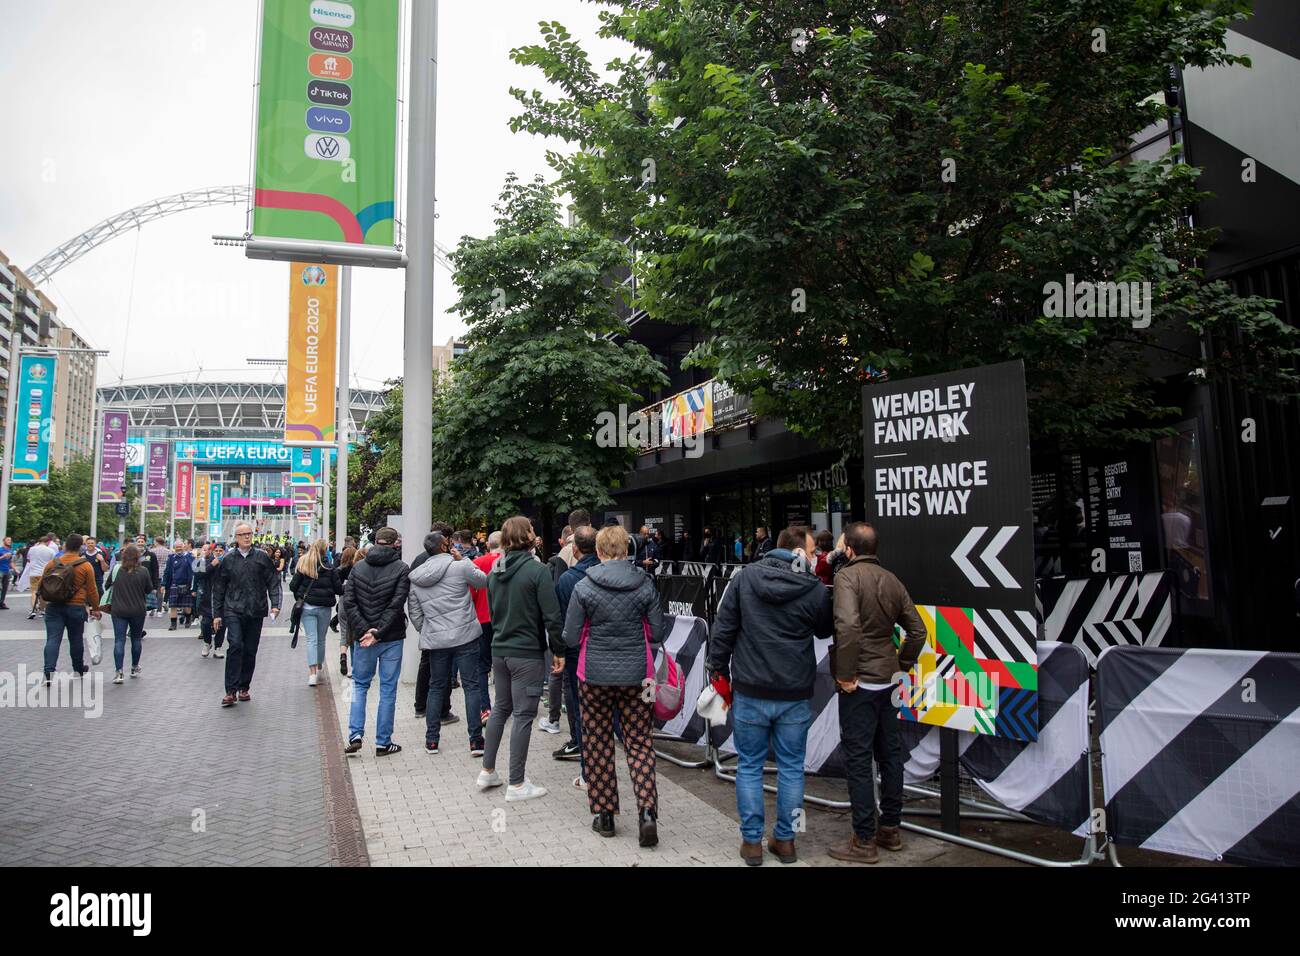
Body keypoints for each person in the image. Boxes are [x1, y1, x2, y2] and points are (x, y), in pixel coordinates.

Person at [710, 525, 833, 865]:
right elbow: (825, 627)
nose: (813, 558)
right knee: (792, 767)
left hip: (750, 688)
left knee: (749, 765)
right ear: (796, 552)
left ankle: (752, 843)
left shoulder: (744, 578)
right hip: (794, 691)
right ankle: (787, 840)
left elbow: (724, 627)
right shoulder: (813, 588)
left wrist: (717, 670)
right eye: (810, 552)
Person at [561, 524, 666, 845]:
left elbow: (569, 636)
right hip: (639, 676)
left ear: (600, 552)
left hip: (593, 676)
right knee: (640, 742)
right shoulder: (645, 584)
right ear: (625, 550)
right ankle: (647, 814)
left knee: (597, 742)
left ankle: (605, 815)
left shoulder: (584, 587)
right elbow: (657, 633)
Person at [829, 522, 926, 863]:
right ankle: (891, 830)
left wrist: (846, 674)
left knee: (858, 759)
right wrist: (904, 664)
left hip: (860, 682)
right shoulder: (892, 580)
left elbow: (848, 626)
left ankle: (864, 840)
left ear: (851, 550)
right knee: (890, 752)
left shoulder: (846, 578)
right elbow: (918, 631)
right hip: (890, 678)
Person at [477, 516, 563, 802]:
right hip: (526, 653)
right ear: (527, 536)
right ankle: (516, 783)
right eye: (532, 529)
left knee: (501, 709)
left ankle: (487, 770)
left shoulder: (494, 572)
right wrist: (559, 650)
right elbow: (552, 616)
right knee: (524, 716)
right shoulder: (537, 572)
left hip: (499, 650)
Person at [408, 531, 488, 756]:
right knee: (471, 687)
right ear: (445, 547)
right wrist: (464, 560)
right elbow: (483, 581)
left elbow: (415, 612)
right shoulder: (460, 567)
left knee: (436, 687)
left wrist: (428, 630)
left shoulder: (416, 577)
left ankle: (431, 740)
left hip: (436, 639)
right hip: (466, 635)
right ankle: (475, 741)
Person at [341, 526, 410, 756]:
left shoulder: (358, 568)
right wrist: (378, 632)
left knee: (360, 685)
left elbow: (348, 602)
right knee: (388, 688)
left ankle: (355, 734)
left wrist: (365, 631)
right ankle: (383, 742)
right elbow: (396, 604)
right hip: (391, 636)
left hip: (363, 638)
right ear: (395, 544)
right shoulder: (401, 569)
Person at [212, 523, 283, 709]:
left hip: (256, 609)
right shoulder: (227, 559)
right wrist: (217, 614)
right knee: (235, 645)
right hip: (233, 608)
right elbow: (219, 588)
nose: (246, 537)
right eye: (242, 534)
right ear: (236, 537)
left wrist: (276, 605)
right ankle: (230, 691)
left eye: (249, 534)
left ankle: (244, 687)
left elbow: (273, 582)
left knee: (250, 649)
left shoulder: (261, 557)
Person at [553, 525, 598, 778]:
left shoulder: (569, 579)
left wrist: (560, 649)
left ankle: (586, 762)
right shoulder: (601, 574)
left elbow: (561, 619)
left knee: (580, 704)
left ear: (574, 548)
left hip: (577, 650)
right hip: (603, 651)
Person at [413, 523, 459, 725]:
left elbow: (413, 598)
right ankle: (442, 711)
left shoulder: (419, 561)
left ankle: (421, 706)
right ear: (444, 541)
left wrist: (421, 625)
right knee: (443, 673)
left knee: (426, 665)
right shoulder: (451, 562)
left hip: (429, 623)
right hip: (446, 622)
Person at [39, 533, 100, 685]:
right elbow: (92, 590)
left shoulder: (53, 563)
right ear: (81, 547)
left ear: (65, 545)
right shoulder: (85, 565)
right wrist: (96, 608)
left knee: (53, 639)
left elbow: (42, 585)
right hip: (76, 606)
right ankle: (78, 669)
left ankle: (48, 672)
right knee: (76, 639)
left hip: (54, 606)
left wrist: (43, 604)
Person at [289, 540, 344, 687]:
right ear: (325, 550)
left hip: (307, 607)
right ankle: (319, 667)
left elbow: (293, 585)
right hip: (324, 608)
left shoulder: (303, 564)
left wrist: (300, 596)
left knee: (311, 640)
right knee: (321, 639)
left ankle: (312, 674)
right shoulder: (329, 567)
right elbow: (339, 589)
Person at [104, 544, 153, 685]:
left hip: (118, 610)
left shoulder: (117, 570)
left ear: (123, 556)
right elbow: (149, 589)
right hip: (138, 610)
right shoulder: (143, 571)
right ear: (138, 557)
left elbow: (107, 586)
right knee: (136, 639)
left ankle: (119, 672)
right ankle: (134, 667)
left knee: (119, 640)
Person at [469, 531, 503, 723]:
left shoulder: (477, 564)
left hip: (482, 619)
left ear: (488, 545)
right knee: (504, 664)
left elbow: (471, 596)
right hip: (504, 619)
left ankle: (485, 708)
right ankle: (504, 706)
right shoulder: (510, 563)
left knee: (482, 666)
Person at [193, 542, 226, 658]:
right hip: (207, 598)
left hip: (222, 599)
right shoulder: (205, 562)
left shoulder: (227, 563)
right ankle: (207, 642)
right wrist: (212, 565)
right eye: (216, 551)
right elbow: (198, 574)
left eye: (220, 551)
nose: (218, 553)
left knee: (221, 624)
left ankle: (218, 647)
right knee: (206, 623)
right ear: (212, 552)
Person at [22, 534, 58, 620]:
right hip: (45, 573)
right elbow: (53, 562)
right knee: (43, 592)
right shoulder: (50, 550)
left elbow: (29, 559)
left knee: (34, 591)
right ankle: (42, 610)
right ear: (48, 542)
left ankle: (33, 610)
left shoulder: (32, 549)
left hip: (33, 573)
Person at [162, 539, 195, 630]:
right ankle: (173, 624)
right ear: (174, 548)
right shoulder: (171, 558)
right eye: (177, 547)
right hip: (174, 584)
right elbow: (167, 571)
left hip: (187, 584)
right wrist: (164, 584)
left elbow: (194, 570)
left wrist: (193, 585)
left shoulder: (190, 557)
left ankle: (188, 619)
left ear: (184, 547)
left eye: (180, 546)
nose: (179, 548)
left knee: (187, 606)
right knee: (173, 605)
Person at [335, 545, 358, 676]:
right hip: (355, 602)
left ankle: (343, 655)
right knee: (354, 634)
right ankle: (354, 666)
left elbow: (337, 588)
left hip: (343, 602)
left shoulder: (339, 570)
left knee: (344, 631)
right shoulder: (358, 569)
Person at [0, 535, 13, 609]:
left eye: (10, 540)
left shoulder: (10, 551)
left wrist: (15, 569)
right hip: (0, 570)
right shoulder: (0, 550)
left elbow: (10, 562)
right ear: (4, 541)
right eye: (8, 540)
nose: (9, 541)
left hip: (7, 571)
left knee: (5, 588)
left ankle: (1, 603)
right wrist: (3, 556)